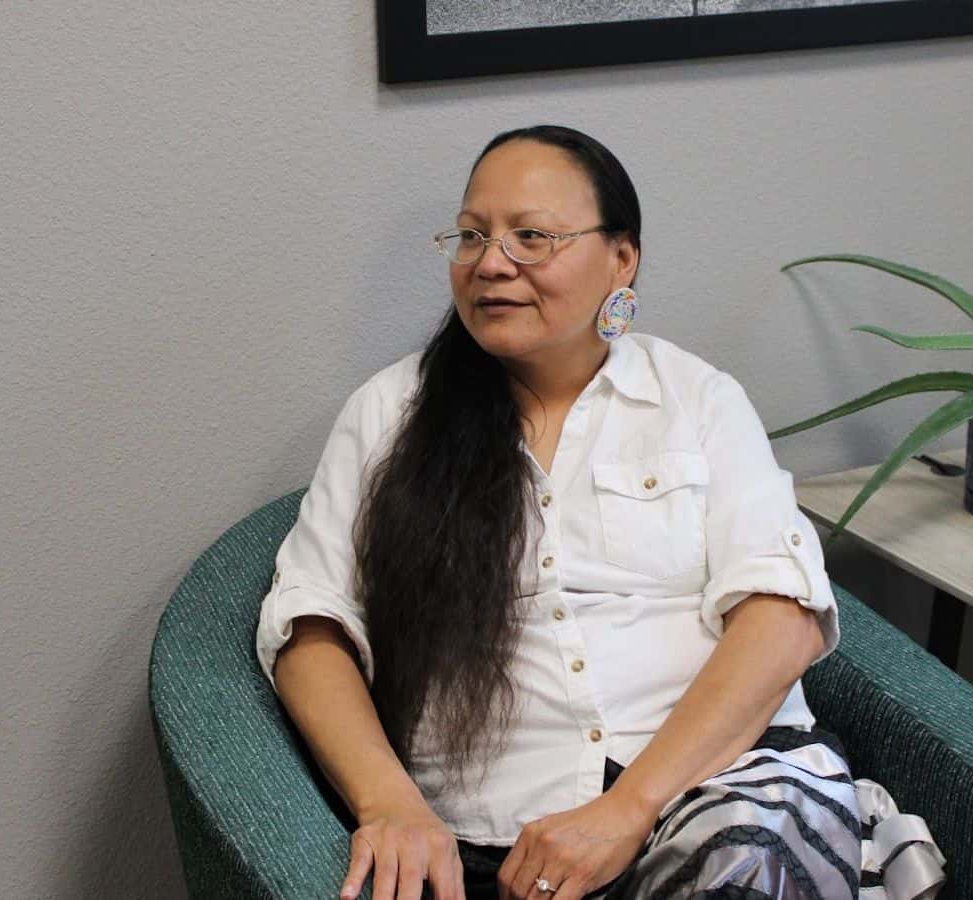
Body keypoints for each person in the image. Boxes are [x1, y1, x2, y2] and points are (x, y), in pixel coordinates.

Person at [257, 125, 867, 900]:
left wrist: (629, 808)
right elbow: (310, 626)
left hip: (718, 791)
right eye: (472, 236)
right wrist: (389, 804)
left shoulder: (697, 399)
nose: (490, 263)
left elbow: (784, 614)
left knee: (745, 866)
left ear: (622, 259)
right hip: (496, 833)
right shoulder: (389, 414)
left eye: (532, 237)